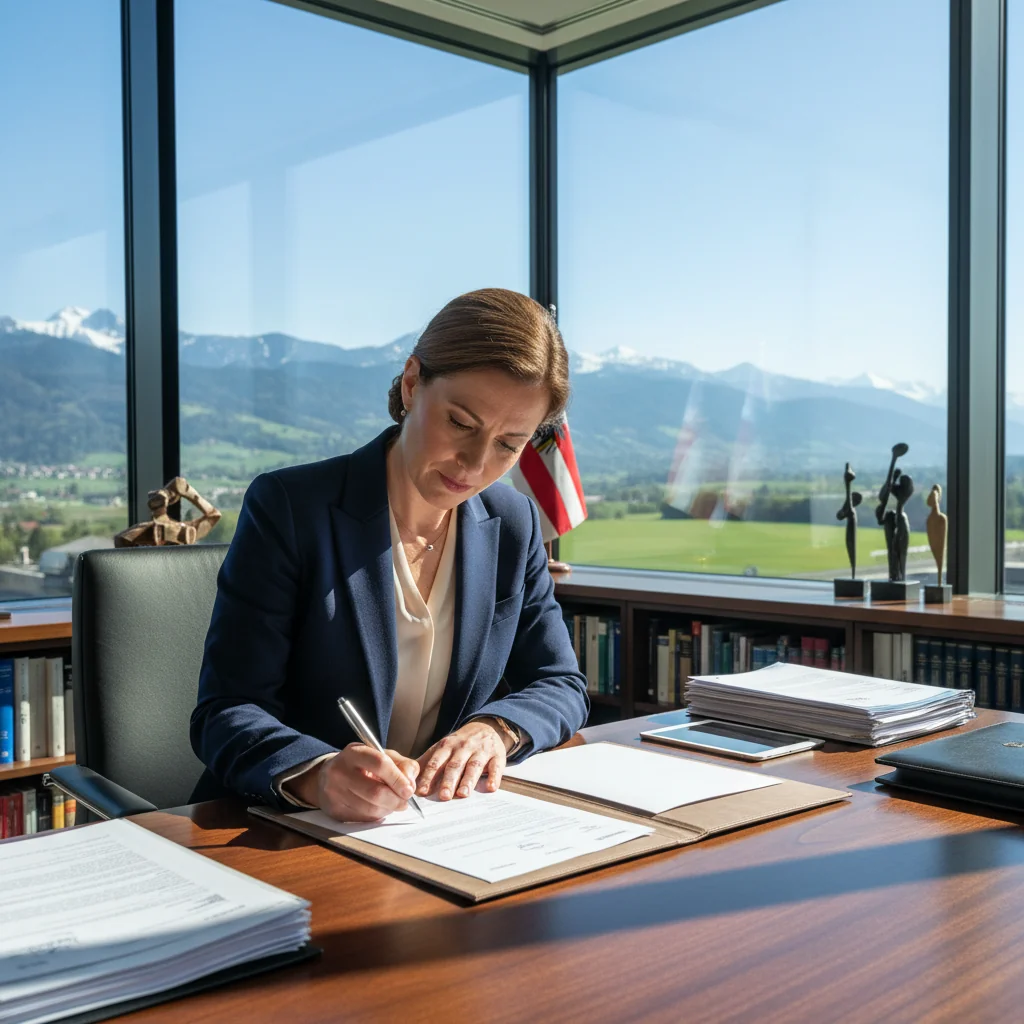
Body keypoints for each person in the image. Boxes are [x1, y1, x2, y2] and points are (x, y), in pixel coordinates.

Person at [190, 288, 589, 822]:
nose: (473, 463)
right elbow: (226, 710)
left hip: (437, 831)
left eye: (507, 444)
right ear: (411, 384)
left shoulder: (512, 524)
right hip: (281, 830)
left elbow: (560, 683)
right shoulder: (291, 508)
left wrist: (495, 729)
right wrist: (318, 773)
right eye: (461, 424)